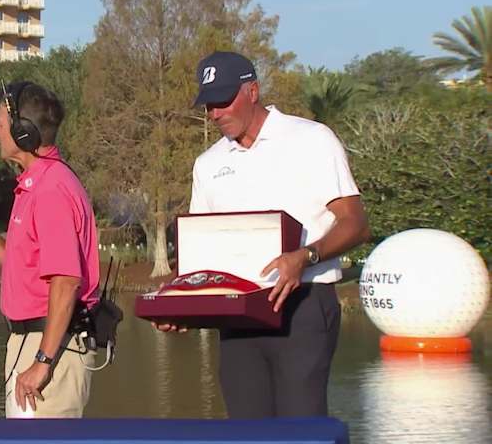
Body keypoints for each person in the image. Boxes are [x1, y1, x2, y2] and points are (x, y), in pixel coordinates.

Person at [156, 51, 371, 419]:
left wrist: (305, 257)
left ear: (252, 90)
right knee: (246, 430)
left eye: (223, 101)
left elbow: (356, 223)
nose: (215, 113)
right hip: (237, 314)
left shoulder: (312, 139)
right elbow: (202, 254)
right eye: (208, 104)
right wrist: (183, 306)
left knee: (301, 429)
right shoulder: (207, 164)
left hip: (303, 303)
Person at [0, 81, 100, 418]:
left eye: (1, 123)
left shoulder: (51, 189)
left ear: (23, 133)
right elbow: (25, 267)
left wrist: (42, 361)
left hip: (48, 349)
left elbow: (66, 282)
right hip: (34, 344)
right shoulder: (37, 183)